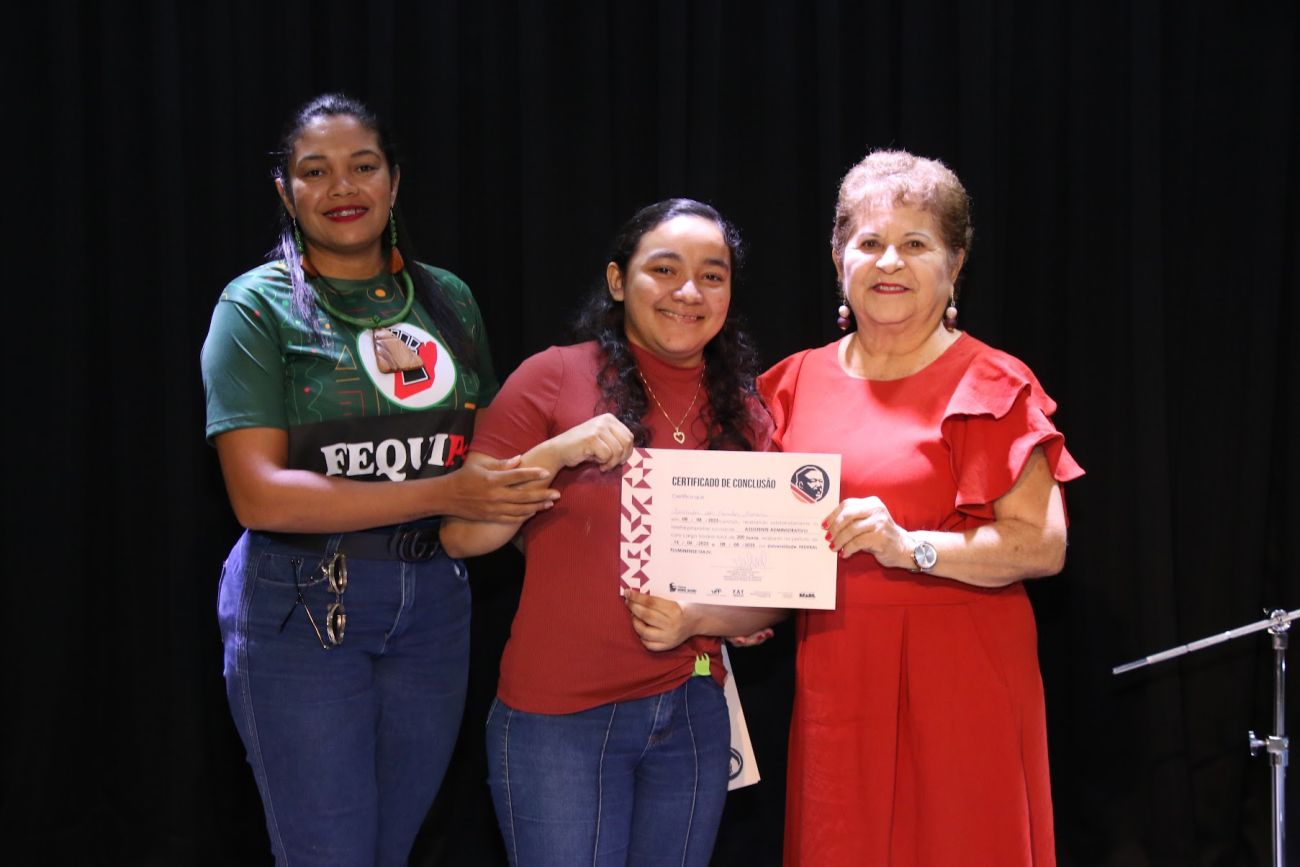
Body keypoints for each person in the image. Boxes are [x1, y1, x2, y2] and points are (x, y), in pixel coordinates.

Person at [200, 93, 558, 866]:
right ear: (285, 191)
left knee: (389, 851)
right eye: (315, 171)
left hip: (435, 605)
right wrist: (442, 492)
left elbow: (491, 463)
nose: (342, 187)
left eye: (363, 166)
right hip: (302, 606)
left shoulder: (447, 299)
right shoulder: (254, 307)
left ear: (394, 181)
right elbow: (258, 495)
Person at [758, 149, 1084, 866]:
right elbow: (764, 543)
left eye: (915, 244)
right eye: (869, 241)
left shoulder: (992, 382)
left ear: (955, 263)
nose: (889, 262)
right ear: (838, 256)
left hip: (964, 679)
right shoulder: (791, 384)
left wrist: (908, 547)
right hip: (838, 676)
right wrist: (729, 607)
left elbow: (1042, 545)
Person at [440, 198, 781, 866]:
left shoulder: (745, 412)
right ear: (619, 280)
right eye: (665, 269)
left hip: (693, 708)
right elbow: (461, 535)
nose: (689, 291)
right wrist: (556, 452)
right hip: (560, 719)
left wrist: (705, 617)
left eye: (712, 275)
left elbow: (777, 591)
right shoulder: (553, 376)